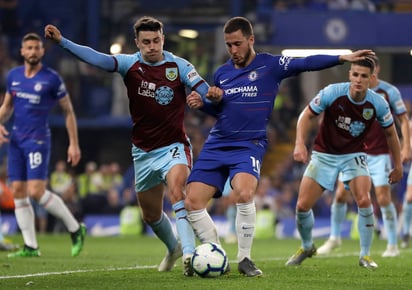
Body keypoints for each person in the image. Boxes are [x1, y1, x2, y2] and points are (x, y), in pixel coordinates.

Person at [185, 16, 375, 277]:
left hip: (248, 144)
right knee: (192, 202)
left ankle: (244, 259)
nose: (233, 50)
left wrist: (342, 58)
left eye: (237, 44)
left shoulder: (271, 65)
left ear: (251, 40)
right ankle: (215, 252)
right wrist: (205, 102)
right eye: (229, 45)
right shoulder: (222, 73)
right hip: (217, 143)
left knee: (243, 193)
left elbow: (305, 63)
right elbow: (222, 111)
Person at [45, 16, 209, 276]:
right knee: (151, 216)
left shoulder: (179, 66)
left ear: (163, 39)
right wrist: (63, 42)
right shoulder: (129, 64)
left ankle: (190, 254)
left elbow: (203, 88)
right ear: (137, 43)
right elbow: (96, 58)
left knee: (178, 192)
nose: (152, 46)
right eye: (146, 42)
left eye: (156, 41)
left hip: (174, 146)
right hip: (143, 152)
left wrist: (206, 96)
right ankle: (174, 248)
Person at [284, 57, 403, 269]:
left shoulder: (378, 102)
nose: (358, 79)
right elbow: (305, 116)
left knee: (364, 200)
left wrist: (398, 165)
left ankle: (365, 255)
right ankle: (306, 246)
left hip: (354, 155)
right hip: (324, 154)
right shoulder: (333, 92)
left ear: (371, 78)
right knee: (302, 206)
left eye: (364, 76)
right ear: (350, 75)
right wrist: (299, 144)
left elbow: (391, 135)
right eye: (355, 74)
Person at [0, 33, 86, 258]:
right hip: (16, 140)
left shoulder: (51, 79)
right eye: (28, 48)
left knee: (36, 191)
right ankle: (31, 246)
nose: (33, 52)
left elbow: (68, 111)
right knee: (18, 190)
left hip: (38, 139)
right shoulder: (13, 76)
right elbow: (7, 107)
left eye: (37, 48)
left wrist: (73, 144)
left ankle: (75, 229)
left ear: (42, 51)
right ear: (22, 51)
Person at [317, 55, 411, 257]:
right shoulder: (347, 91)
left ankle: (392, 244)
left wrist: (406, 147)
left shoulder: (388, 92)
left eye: (369, 70)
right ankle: (334, 238)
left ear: (375, 70)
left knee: (383, 197)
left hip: (378, 154)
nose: (362, 76)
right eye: (357, 72)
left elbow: (403, 120)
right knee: (341, 194)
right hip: (354, 152)